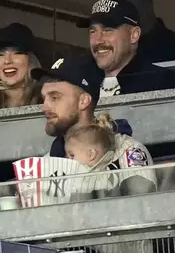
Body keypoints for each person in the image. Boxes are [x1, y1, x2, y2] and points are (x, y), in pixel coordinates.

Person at [32, 56, 156, 195]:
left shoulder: (126, 151)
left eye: (55, 97)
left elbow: (143, 209)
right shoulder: (44, 165)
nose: (45, 107)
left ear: (84, 101)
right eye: (44, 98)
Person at [82, 0, 175, 97]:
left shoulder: (161, 83)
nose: (97, 40)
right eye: (93, 31)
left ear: (134, 35)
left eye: (108, 30)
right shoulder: (79, 81)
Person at [0, 23, 42, 108]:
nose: (7, 61)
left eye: (17, 53)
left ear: (31, 60)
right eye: (0, 54)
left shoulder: (45, 100)